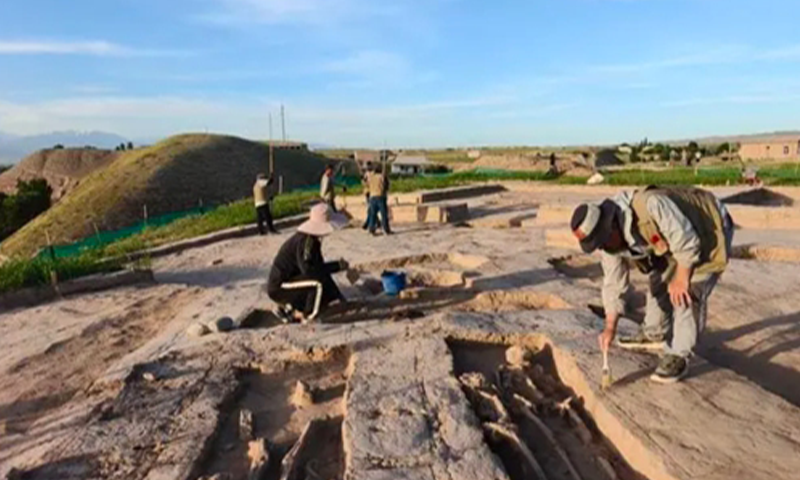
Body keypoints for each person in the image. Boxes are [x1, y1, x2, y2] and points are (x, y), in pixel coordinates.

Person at [571, 186, 733, 384]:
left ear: (610, 225)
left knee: (686, 292)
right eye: (598, 245)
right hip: (675, 242)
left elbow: (687, 242)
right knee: (659, 278)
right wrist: (610, 327)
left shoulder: (651, 205)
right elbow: (614, 282)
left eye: (603, 241)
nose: (604, 247)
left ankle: (679, 355)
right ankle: (654, 333)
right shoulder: (607, 243)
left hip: (709, 228)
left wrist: (682, 279)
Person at [267, 203, 349, 323]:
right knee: (317, 284)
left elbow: (320, 268)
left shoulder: (311, 240)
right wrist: (336, 266)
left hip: (291, 280)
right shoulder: (306, 242)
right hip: (280, 286)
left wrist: (338, 297)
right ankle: (309, 317)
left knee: (322, 284)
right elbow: (310, 271)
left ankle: (290, 308)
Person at [366, 165, 392, 236]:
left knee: (373, 214)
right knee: (383, 214)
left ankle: (371, 229)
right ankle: (386, 229)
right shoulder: (382, 177)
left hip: (372, 196)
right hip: (380, 196)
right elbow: (387, 185)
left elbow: (367, 185)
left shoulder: (370, 177)